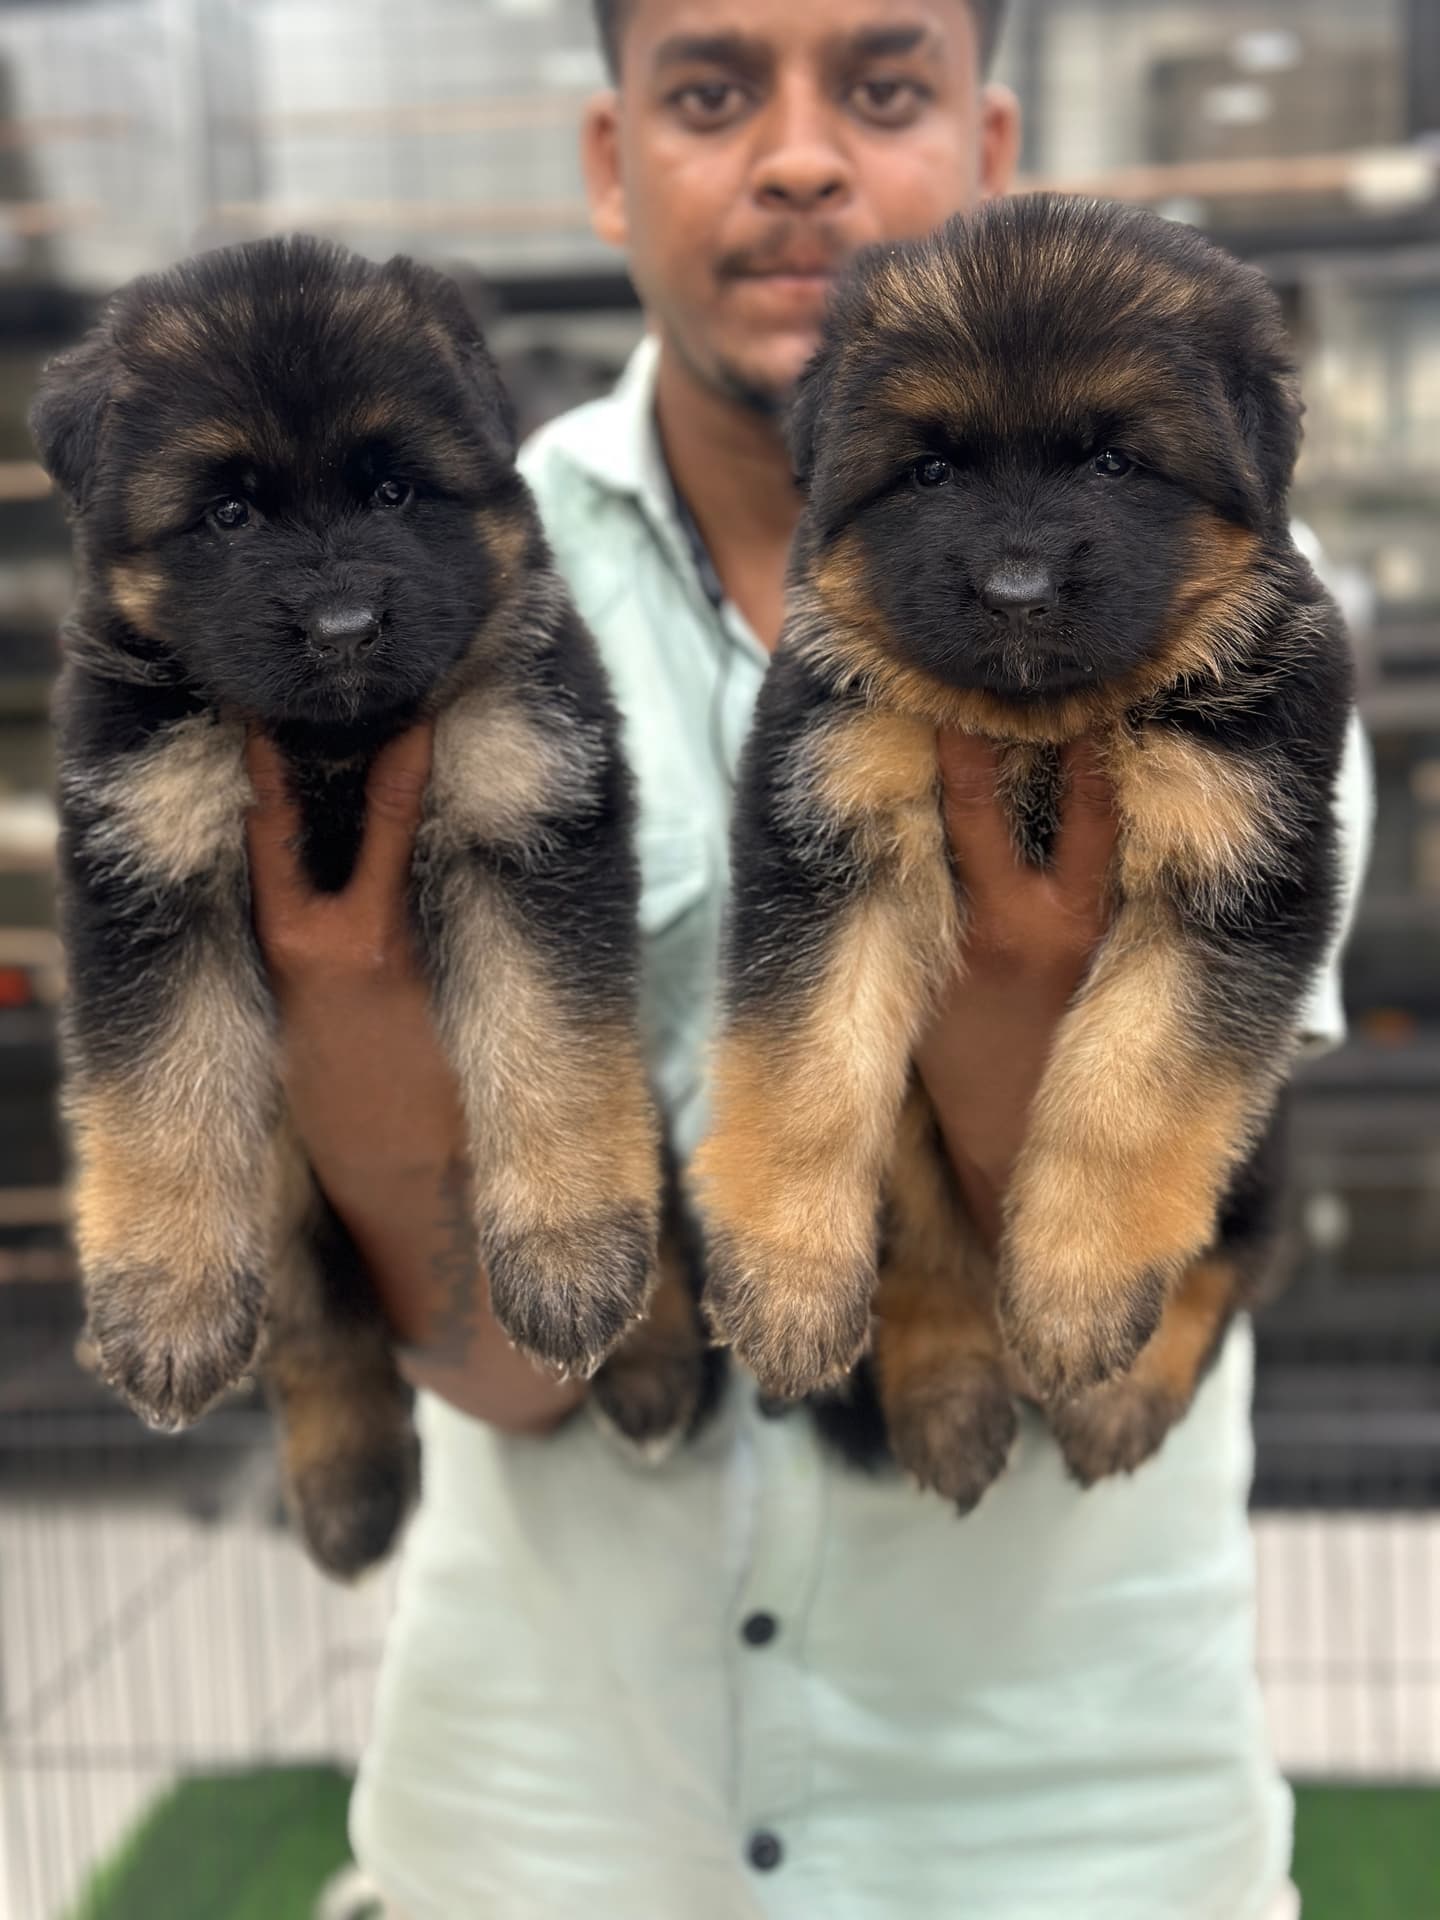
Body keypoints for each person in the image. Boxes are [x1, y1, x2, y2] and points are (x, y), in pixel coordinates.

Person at [242, 3, 1372, 1915]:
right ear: (608, 159)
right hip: (551, 1823)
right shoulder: (444, 584)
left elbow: (1116, 1278)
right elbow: (507, 1361)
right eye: (708, 90)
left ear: (992, 139)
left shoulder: (1237, 598)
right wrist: (343, 1001)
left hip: (1066, 1821)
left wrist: (1023, 993)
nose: (797, 158)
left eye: (881, 83)